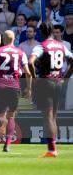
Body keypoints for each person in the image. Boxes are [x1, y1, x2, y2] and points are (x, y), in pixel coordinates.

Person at [29, 22, 73, 158]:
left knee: (47, 117)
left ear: (40, 33)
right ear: (52, 31)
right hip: (58, 82)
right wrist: (65, 76)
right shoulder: (62, 46)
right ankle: (53, 148)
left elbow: (30, 62)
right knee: (54, 116)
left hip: (45, 82)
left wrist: (34, 78)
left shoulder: (41, 46)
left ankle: (51, 150)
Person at [0, 30, 32, 153]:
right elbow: (28, 73)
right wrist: (29, 88)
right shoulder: (21, 52)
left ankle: (3, 124)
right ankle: (7, 144)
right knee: (11, 116)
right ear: (13, 39)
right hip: (14, 88)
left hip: (0, 87)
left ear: (3, 39)